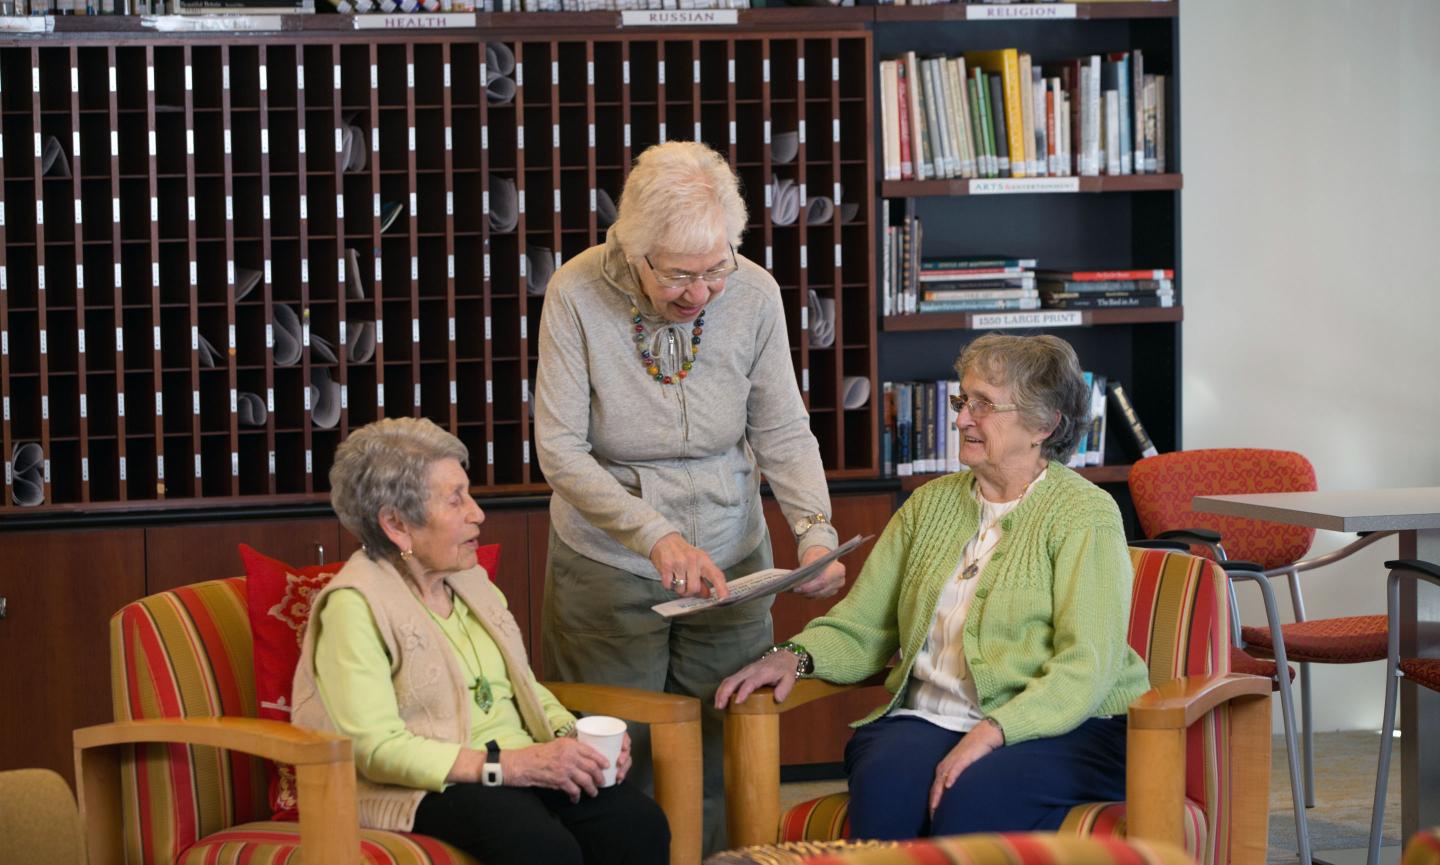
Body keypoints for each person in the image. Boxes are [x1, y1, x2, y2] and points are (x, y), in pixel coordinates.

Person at [534, 140, 845, 853]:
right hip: (609, 566)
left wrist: (815, 529)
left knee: (722, 745)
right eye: (679, 276)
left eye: (715, 271)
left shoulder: (757, 293)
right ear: (634, 249)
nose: (700, 292)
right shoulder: (576, 293)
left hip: (733, 565)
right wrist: (653, 534)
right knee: (615, 757)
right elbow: (560, 449)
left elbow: (783, 430)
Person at [716, 333, 1152, 840]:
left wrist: (994, 731)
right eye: (962, 399)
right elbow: (863, 626)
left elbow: (1086, 667)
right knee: (885, 792)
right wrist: (793, 655)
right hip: (931, 716)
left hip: (1068, 727)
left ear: (1043, 424)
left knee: (972, 799)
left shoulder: (1085, 514)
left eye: (984, 404)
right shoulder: (928, 505)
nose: (962, 417)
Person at [290, 417, 668, 865]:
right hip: (429, 784)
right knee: (543, 851)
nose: (477, 513)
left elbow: (522, 686)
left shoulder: (468, 580)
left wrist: (573, 739)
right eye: (456, 500)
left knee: (636, 822)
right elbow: (375, 749)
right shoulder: (354, 607)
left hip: (513, 765)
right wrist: (508, 767)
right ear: (396, 524)